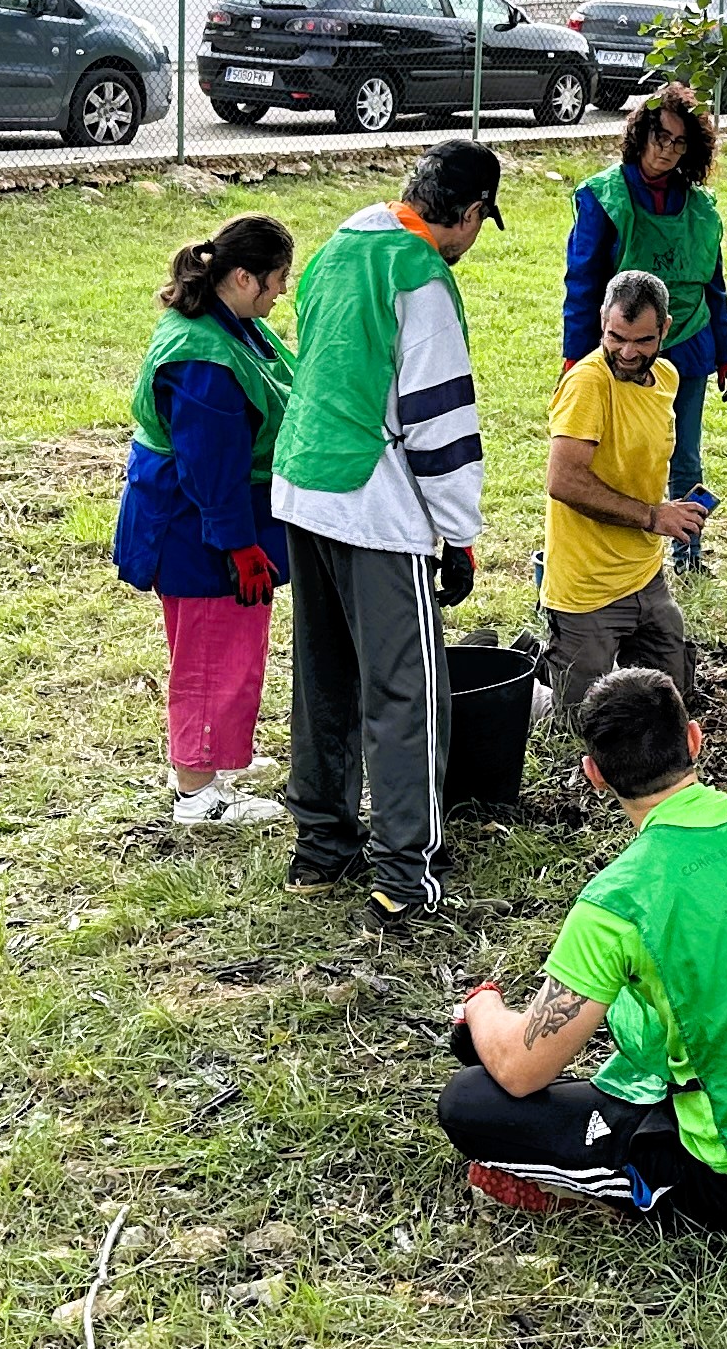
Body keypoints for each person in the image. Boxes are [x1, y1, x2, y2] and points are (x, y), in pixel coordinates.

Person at [437, 667, 727, 1227]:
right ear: (694, 739)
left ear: (595, 774)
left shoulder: (619, 902)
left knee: (469, 1100)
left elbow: (520, 1071)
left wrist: (482, 1008)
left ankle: (607, 1186)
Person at [276, 140, 501, 923]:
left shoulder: (338, 249)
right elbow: (440, 418)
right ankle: (404, 880)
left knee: (325, 677)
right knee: (409, 693)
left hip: (305, 486)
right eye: (479, 225)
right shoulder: (422, 277)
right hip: (376, 505)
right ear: (469, 215)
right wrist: (458, 533)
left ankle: (322, 848)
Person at [115, 214, 299, 831]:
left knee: (219, 650)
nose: (280, 294)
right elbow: (210, 466)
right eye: (276, 282)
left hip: (210, 519)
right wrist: (239, 546)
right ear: (243, 277)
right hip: (201, 527)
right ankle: (199, 797)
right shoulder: (206, 361)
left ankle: (206, 767)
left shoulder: (230, 323)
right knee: (210, 657)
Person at [564, 86, 727, 572]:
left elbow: (714, 283)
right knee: (619, 453)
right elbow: (582, 283)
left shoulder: (701, 209)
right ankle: (617, 550)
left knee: (684, 454)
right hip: (624, 353)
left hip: (688, 345)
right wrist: (577, 357)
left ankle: (687, 555)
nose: (667, 148)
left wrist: (726, 351)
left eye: (680, 142)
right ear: (641, 134)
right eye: (660, 136)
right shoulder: (606, 197)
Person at [544, 270, 706, 718]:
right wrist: (654, 517)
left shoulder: (668, 378)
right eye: (616, 337)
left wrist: (675, 511)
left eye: (643, 341)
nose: (629, 352)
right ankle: (537, 680)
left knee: (670, 704)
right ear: (601, 321)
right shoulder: (586, 385)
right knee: (582, 723)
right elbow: (564, 482)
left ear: (665, 330)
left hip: (644, 576)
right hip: (586, 587)